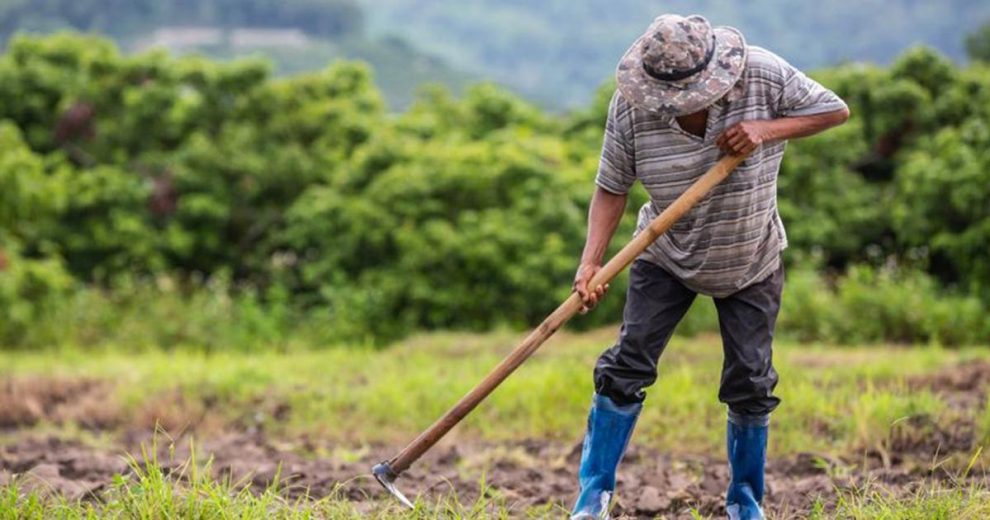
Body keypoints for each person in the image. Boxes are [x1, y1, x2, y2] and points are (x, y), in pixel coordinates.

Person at [570, 14, 849, 520]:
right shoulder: (632, 108)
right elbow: (611, 186)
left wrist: (766, 129)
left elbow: (835, 110)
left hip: (750, 256)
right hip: (665, 253)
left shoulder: (762, 74)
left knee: (751, 380)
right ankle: (593, 499)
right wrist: (592, 264)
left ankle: (745, 503)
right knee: (626, 366)